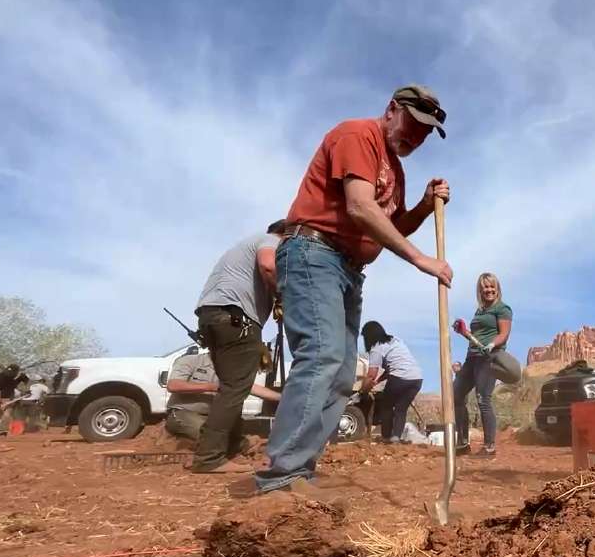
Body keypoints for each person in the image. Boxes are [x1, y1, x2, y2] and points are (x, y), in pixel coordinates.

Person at [243, 84, 452, 497]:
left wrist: (426, 206)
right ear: (392, 109)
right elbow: (359, 207)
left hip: (348, 269)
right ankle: (281, 476)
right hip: (314, 253)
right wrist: (420, 259)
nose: (418, 135)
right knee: (321, 357)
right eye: (414, 123)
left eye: (427, 132)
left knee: (341, 375)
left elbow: (391, 225)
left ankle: (299, 469)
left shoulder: (396, 170)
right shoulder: (358, 135)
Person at [188, 220, 286, 474]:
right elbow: (268, 265)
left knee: (230, 388)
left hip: (212, 317)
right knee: (235, 389)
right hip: (238, 319)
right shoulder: (273, 241)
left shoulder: (243, 247)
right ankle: (209, 458)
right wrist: (281, 295)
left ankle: (227, 446)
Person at [165, 348, 281, 449]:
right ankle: (240, 445)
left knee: (223, 431)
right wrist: (212, 387)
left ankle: (238, 444)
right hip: (184, 413)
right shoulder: (190, 361)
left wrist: (283, 398)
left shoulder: (231, 369)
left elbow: (251, 388)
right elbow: (173, 385)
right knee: (210, 435)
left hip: (213, 417)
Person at [451, 273, 512, 457]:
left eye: (492, 286)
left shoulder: (502, 308)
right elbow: (475, 336)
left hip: (489, 358)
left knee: (483, 398)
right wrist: (463, 331)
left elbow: (504, 334)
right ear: (480, 290)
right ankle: (462, 442)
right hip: (472, 357)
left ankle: (489, 446)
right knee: (456, 395)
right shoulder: (480, 311)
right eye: (485, 287)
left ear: (497, 288)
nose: (489, 290)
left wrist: (493, 344)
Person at [360, 321, 423, 443]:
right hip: (417, 379)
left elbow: (371, 374)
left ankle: (386, 437)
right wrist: (378, 381)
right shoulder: (395, 340)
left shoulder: (376, 348)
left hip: (400, 377)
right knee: (401, 409)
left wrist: (364, 389)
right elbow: (392, 368)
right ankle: (395, 438)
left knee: (386, 405)